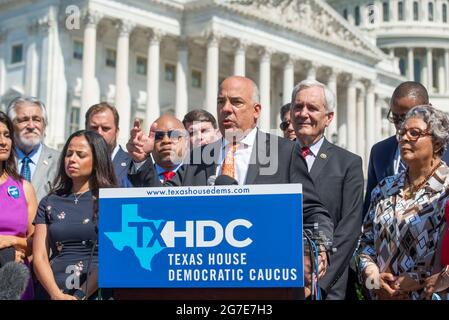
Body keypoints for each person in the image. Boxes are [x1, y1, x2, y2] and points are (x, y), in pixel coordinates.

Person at [126, 75, 333, 298]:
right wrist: (141, 161)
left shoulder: (284, 153)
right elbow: (161, 205)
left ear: (256, 110)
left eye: (236, 102)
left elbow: (314, 212)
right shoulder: (198, 157)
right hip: (204, 289)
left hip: (264, 287)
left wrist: (318, 249)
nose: (226, 109)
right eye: (220, 102)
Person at [358, 105, 449, 300]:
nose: (405, 138)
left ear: (438, 143)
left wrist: (419, 279)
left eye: (414, 133)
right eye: (402, 133)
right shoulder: (384, 188)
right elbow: (365, 244)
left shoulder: (446, 189)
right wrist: (374, 280)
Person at [291, 79, 363, 300]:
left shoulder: (348, 163)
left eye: (312, 108)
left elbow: (349, 230)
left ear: (328, 117)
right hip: (281, 279)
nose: (303, 113)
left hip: (327, 287)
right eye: (298, 106)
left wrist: (317, 280)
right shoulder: (273, 159)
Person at [33, 130, 117, 300]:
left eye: (80, 155)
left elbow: (113, 257)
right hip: (52, 292)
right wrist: (56, 295)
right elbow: (40, 256)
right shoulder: (49, 201)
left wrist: (80, 295)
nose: (72, 159)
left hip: (96, 292)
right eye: (69, 154)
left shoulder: (112, 200)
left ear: (97, 160)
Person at [364, 82, 449, 217]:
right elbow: (368, 213)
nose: (400, 125)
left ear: (429, 110)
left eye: (406, 117)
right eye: (395, 118)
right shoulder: (379, 152)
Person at [0, 111, 38, 299]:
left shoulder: (24, 187)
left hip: (17, 283)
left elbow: (35, 242)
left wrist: (10, 241)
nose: (3, 141)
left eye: (7, 135)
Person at [7, 97, 60, 203]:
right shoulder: (3, 160)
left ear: (44, 125)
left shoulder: (60, 161)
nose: (31, 126)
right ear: (11, 126)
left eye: (36, 119)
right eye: (24, 120)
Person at [85, 102, 132, 187]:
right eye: (94, 128)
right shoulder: (77, 163)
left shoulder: (132, 165)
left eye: (105, 128)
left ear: (116, 132)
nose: (99, 133)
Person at [150, 114, 188, 183]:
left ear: (186, 142)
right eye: (158, 136)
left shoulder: (200, 177)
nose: (166, 141)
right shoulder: (136, 179)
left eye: (174, 135)